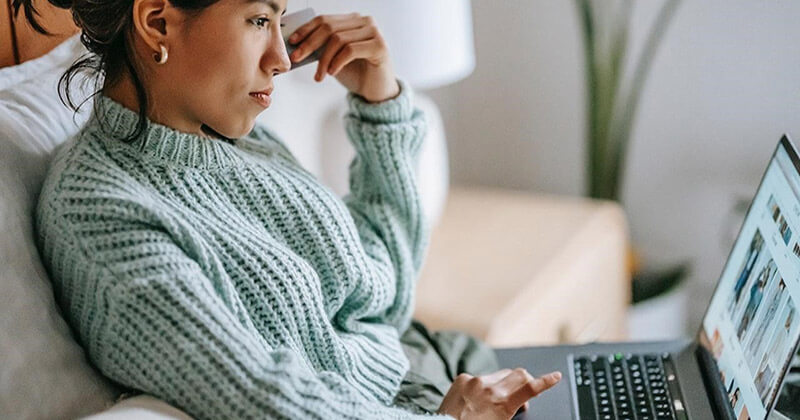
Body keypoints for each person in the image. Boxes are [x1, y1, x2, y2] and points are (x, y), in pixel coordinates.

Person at [13, 0, 561, 418]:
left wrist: (381, 105)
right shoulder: (100, 213)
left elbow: (381, 297)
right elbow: (257, 395)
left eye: (280, 18)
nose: (280, 58)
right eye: (257, 20)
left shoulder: (236, 140)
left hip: (432, 365)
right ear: (157, 21)